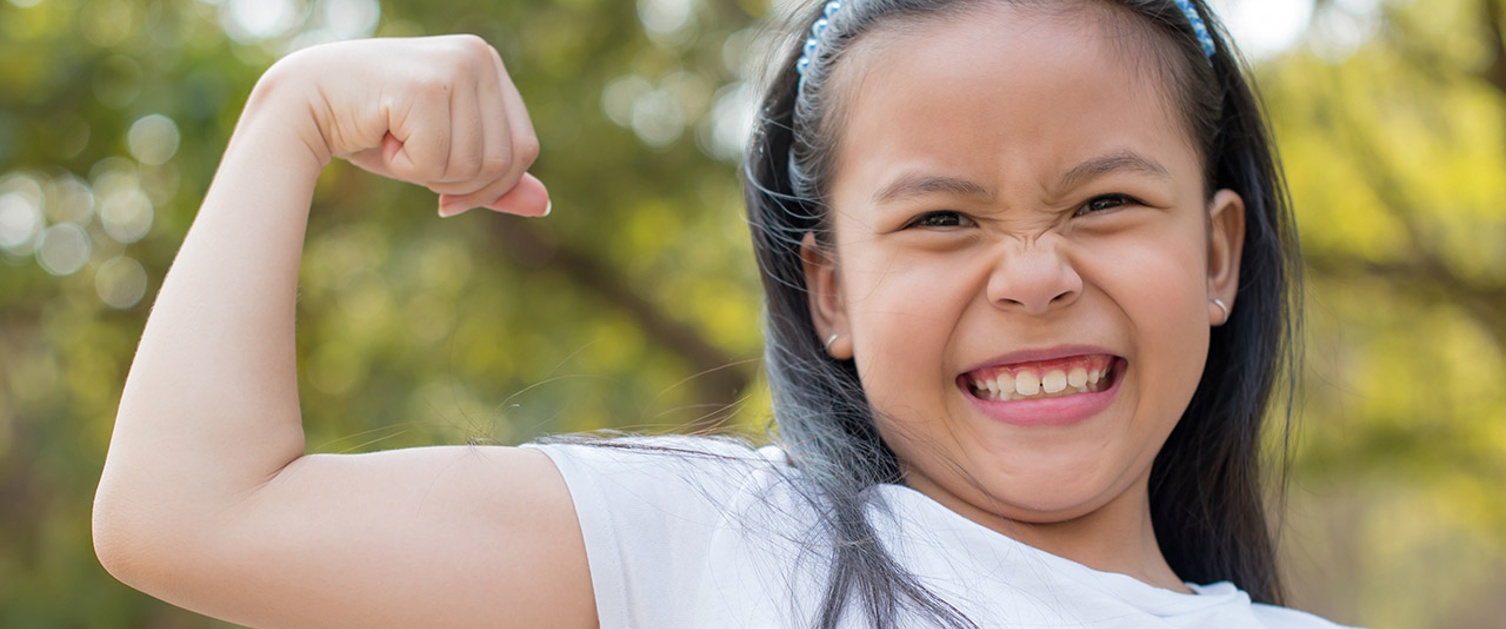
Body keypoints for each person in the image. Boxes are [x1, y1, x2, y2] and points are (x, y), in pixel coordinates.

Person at [92, 0, 1356, 627]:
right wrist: (292, 115)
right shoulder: (722, 544)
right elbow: (191, 512)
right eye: (941, 220)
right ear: (832, 291)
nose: (1031, 275)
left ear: (1216, 253)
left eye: (1105, 202)